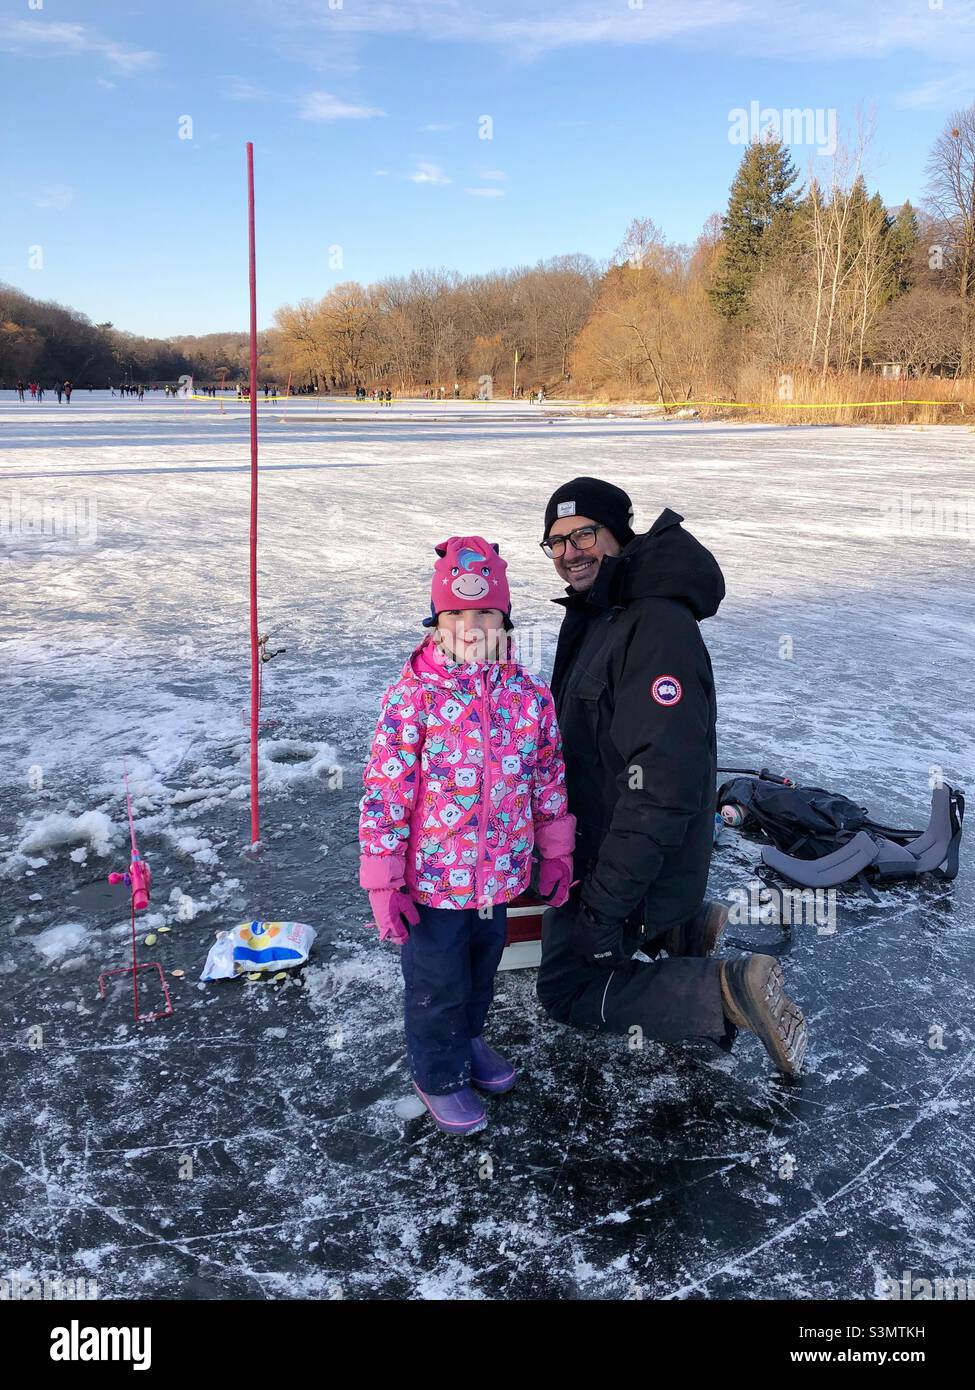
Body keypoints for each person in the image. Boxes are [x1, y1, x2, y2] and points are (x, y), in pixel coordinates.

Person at [535, 477, 808, 1075]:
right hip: (612, 849)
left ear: (618, 533)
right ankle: (681, 930)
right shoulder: (603, 610)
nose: (569, 553)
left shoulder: (652, 626)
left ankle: (729, 989)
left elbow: (661, 785)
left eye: (585, 534)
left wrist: (606, 910)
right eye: (555, 542)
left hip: (635, 863)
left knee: (565, 989)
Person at [359, 536, 576, 1135]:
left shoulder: (529, 699)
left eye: (485, 612)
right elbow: (385, 791)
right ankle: (436, 1071)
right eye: (455, 613)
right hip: (430, 884)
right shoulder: (413, 698)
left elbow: (548, 777)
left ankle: (470, 1039)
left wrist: (555, 852)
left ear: (504, 620)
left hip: (498, 879)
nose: (471, 624)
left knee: (482, 971)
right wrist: (385, 882)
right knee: (436, 984)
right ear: (436, 624)